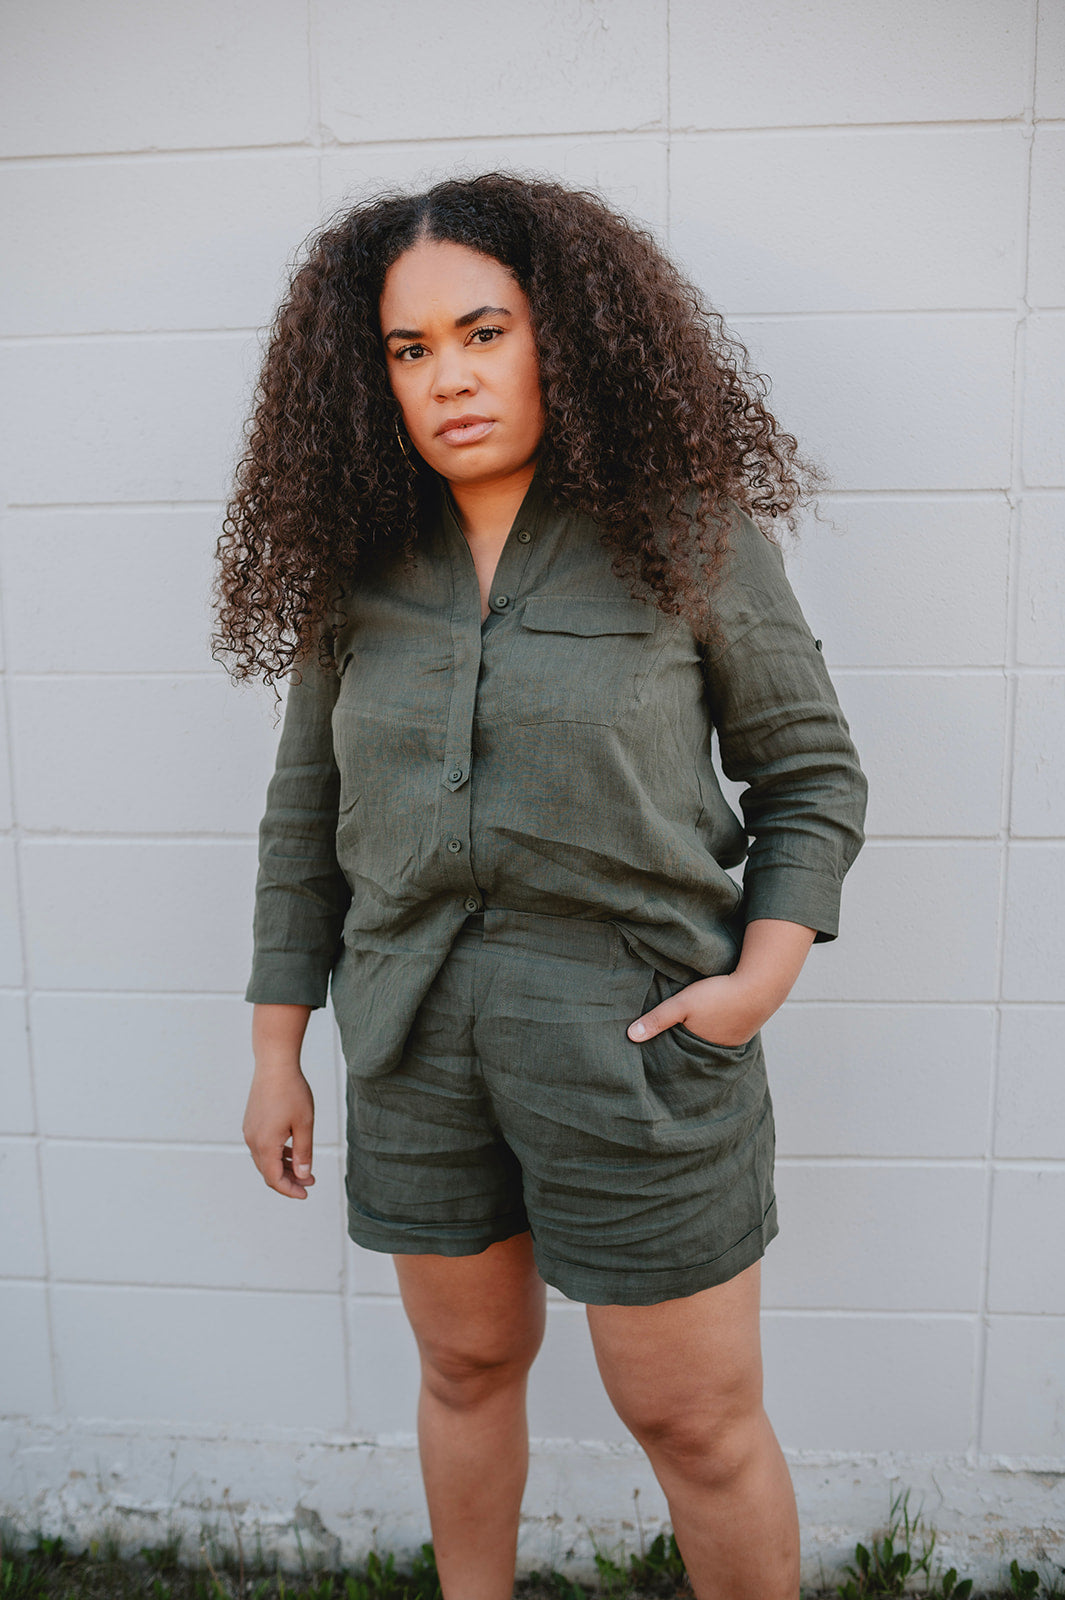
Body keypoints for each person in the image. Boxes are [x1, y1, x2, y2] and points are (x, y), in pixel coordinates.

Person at [214, 172, 868, 1600]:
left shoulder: (684, 532)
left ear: (562, 333)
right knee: (463, 1368)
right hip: (414, 1047)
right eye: (409, 349)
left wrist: (756, 982)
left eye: (483, 332)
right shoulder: (358, 570)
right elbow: (302, 817)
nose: (448, 377)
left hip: (637, 1051)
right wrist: (277, 1053)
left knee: (693, 1421)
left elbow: (809, 773)